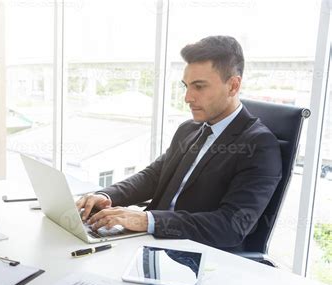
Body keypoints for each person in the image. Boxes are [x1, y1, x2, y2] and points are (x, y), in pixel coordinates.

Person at [76, 35, 282, 251]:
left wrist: (147, 220)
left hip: (195, 257)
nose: (187, 97)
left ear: (233, 86)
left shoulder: (259, 146)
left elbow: (230, 226)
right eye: (186, 86)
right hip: (148, 244)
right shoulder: (189, 130)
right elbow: (153, 177)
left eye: (199, 87)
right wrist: (106, 196)